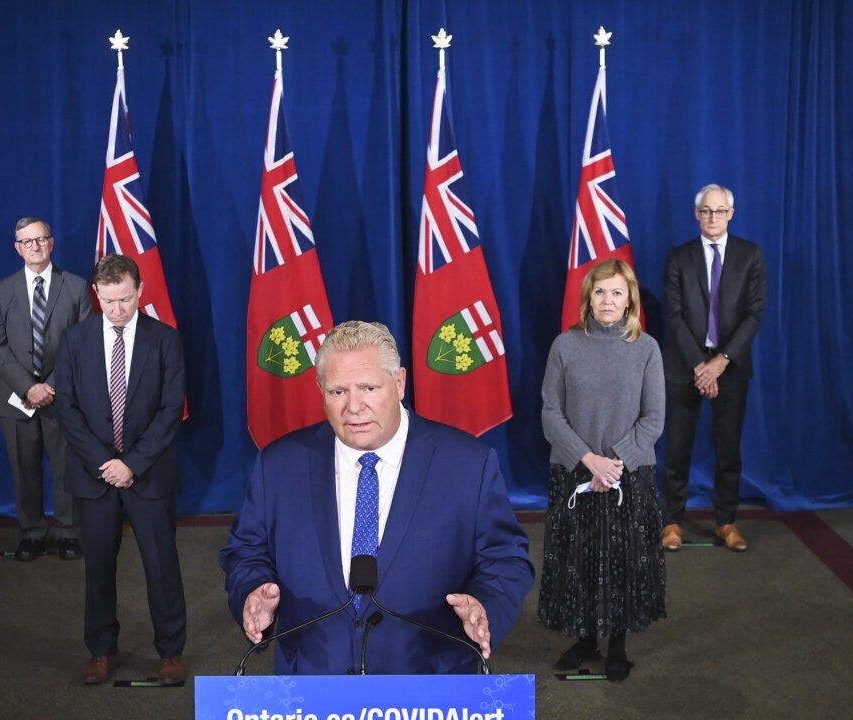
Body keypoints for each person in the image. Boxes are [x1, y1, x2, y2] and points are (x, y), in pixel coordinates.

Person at [220, 320, 534, 675]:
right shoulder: (279, 464)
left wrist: (485, 605)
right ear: (320, 389)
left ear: (399, 383)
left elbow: (505, 558)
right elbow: (246, 552)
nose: (354, 407)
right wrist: (253, 592)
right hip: (312, 679)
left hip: (428, 679)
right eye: (337, 392)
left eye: (369, 388)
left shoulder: (467, 463)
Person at [54, 254, 188, 686]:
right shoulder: (74, 339)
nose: (117, 309)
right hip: (95, 477)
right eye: (109, 301)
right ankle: (101, 650)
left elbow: (171, 409)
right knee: (98, 568)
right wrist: (105, 464)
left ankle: (170, 653)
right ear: (96, 293)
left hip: (148, 474)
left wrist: (132, 463)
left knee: (161, 566)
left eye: (125, 300)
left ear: (140, 291)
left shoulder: (165, 339)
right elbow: (67, 408)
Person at [538, 259, 666, 683]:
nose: (607, 300)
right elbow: (551, 414)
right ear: (587, 299)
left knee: (622, 561)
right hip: (575, 472)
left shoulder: (646, 348)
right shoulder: (564, 346)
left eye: (616, 292)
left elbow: (653, 419)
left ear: (630, 300)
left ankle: (617, 645)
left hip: (629, 475)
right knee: (578, 559)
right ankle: (585, 639)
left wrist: (613, 465)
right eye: (599, 292)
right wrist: (589, 461)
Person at [661, 184, 767, 552]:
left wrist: (720, 362)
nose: (712, 217)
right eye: (706, 210)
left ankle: (726, 522)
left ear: (731, 214)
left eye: (720, 211)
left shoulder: (750, 255)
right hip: (685, 365)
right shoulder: (679, 257)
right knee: (677, 450)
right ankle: (671, 521)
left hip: (731, 366)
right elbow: (673, 315)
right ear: (696, 214)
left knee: (729, 451)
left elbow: (755, 313)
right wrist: (700, 365)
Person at [0, 217, 92, 561]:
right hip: (16, 400)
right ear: (18, 248)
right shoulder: (1, 291)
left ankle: (67, 533)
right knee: (25, 470)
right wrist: (28, 388)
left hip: (63, 397)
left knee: (65, 469)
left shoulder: (76, 287)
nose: (35, 246)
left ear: (52, 242)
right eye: (27, 241)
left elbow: (83, 345)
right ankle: (32, 533)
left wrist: (50, 386)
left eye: (41, 238)